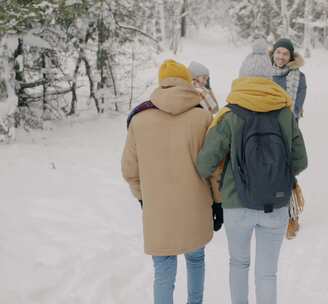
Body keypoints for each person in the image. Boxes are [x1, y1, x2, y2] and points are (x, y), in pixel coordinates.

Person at [196, 40, 308, 304]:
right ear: (269, 77)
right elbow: (300, 161)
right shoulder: (284, 113)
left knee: (239, 264)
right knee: (268, 273)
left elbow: (204, 164)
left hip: (237, 204)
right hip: (276, 203)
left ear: (242, 77)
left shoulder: (229, 114)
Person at [121, 59, 215, 304]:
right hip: (195, 206)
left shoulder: (139, 119)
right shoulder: (202, 117)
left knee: (163, 269)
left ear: (162, 82)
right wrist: (217, 202)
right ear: (186, 81)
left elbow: (129, 170)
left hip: (158, 210)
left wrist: (144, 197)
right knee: (196, 259)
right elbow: (215, 166)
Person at [270, 38, 307, 120]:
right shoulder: (264, 73)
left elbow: (297, 108)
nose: (281, 57)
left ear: (290, 57)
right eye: (278, 52)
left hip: (288, 124)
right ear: (273, 54)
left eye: (285, 54)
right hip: (264, 125)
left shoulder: (300, 78)